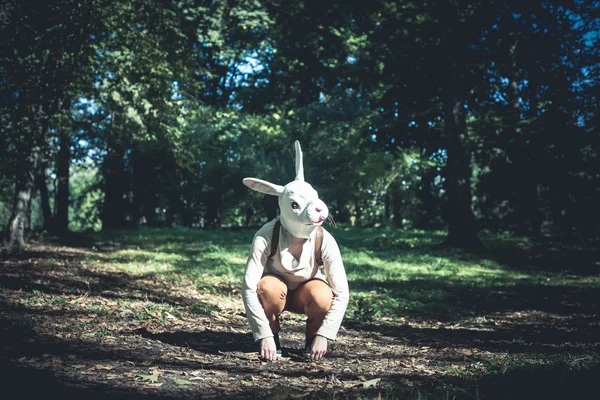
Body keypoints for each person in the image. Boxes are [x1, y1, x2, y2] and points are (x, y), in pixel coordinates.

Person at [241, 141, 349, 361]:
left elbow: (342, 292)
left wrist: (325, 334)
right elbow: (248, 287)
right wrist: (262, 335)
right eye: (296, 205)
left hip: (306, 294)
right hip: (274, 293)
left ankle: (312, 340)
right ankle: (273, 337)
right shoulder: (266, 234)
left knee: (322, 295)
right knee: (267, 288)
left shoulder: (324, 239)